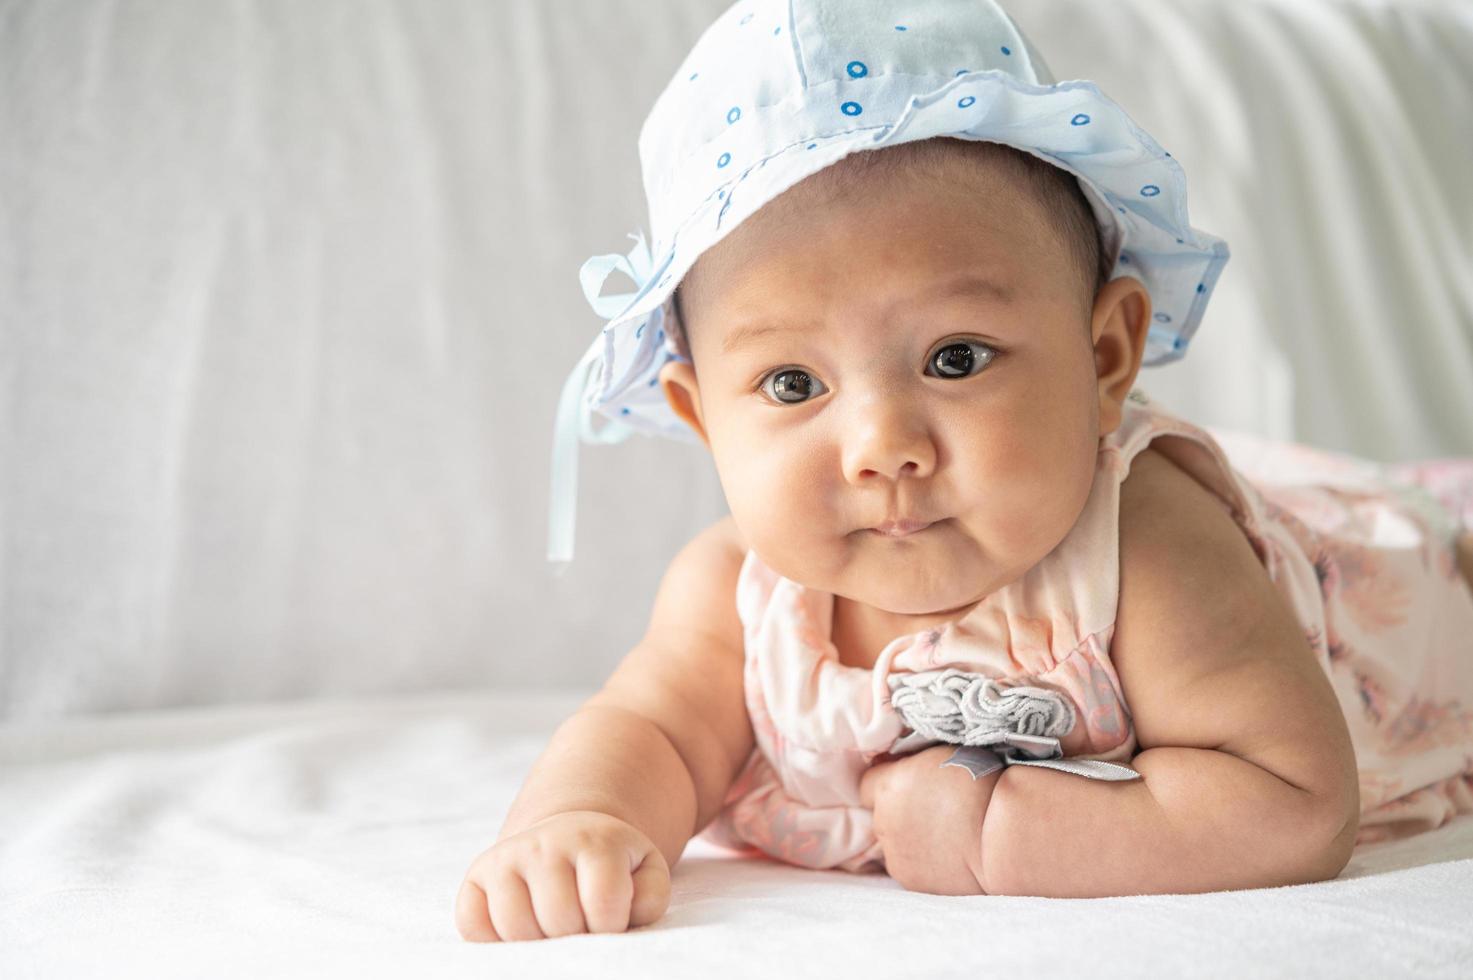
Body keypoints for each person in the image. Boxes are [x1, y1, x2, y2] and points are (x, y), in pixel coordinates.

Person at [455, 0, 1473, 942]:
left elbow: (1293, 801)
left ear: (1106, 355)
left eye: (956, 358)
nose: (881, 445)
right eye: (793, 381)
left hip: (1411, 586)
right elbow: (653, 732)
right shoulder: (735, 597)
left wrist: (997, 835)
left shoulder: (1149, 549)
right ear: (703, 418)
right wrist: (577, 818)